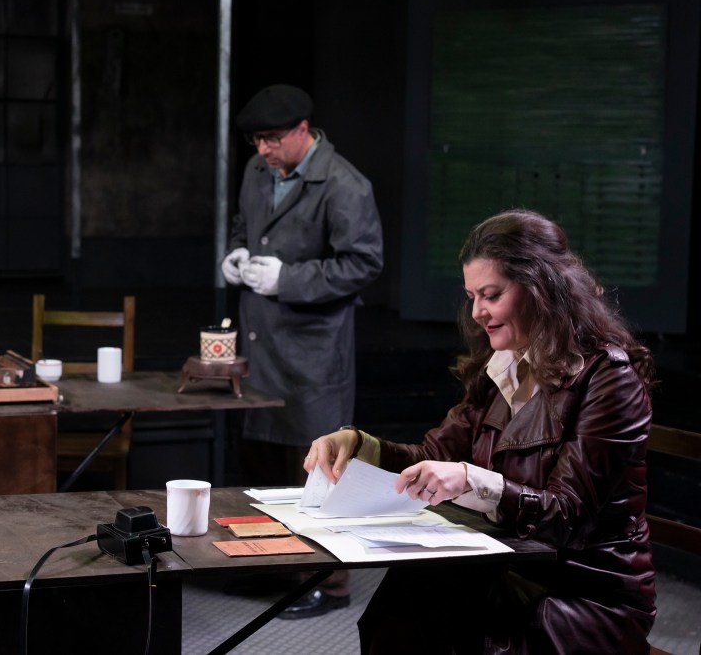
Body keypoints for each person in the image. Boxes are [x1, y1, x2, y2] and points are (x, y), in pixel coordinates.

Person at [306, 209, 656, 653]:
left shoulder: (609, 378)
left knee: (430, 608)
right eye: (472, 296)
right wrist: (358, 444)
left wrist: (473, 480)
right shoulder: (503, 367)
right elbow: (432, 456)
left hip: (583, 594)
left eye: (491, 295)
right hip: (506, 567)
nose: (477, 313)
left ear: (542, 287)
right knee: (408, 595)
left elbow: (566, 516)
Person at [220, 84, 384, 617]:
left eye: (272, 139)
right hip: (260, 341)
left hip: (312, 351)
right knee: (262, 462)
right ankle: (276, 569)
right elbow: (245, 225)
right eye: (256, 140)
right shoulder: (257, 171)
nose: (263, 149)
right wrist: (236, 252)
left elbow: (363, 263)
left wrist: (288, 279)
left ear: (302, 130)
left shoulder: (343, 183)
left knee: (316, 468)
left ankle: (329, 584)